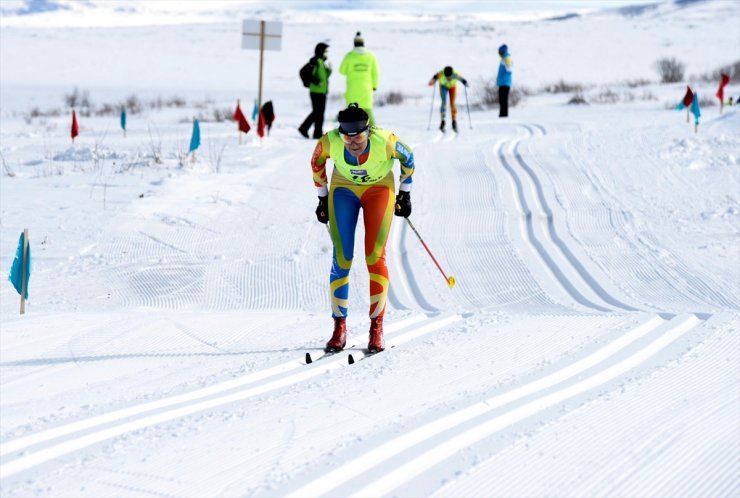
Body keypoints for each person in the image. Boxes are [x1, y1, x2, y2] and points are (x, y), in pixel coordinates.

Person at [310, 103, 415, 353]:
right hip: (344, 190)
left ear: (368, 131)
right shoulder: (330, 141)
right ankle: (339, 328)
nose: (352, 142)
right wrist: (322, 197)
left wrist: (405, 195)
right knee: (342, 257)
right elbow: (316, 162)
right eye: (347, 136)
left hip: (379, 190)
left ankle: (376, 327)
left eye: (358, 136)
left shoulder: (385, 141)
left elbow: (408, 157)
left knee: (374, 256)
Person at [339, 32, 380, 126]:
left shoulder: (349, 56)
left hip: (352, 89)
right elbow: (376, 72)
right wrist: (374, 85)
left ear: (354, 43)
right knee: (368, 110)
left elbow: (342, 70)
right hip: (366, 88)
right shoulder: (370, 56)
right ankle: (374, 131)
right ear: (363, 43)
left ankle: (349, 131)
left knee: (351, 111)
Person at [299, 43, 332, 139]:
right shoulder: (316, 61)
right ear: (321, 51)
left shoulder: (322, 62)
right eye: (326, 51)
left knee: (319, 113)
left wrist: (329, 71)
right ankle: (305, 128)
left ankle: (316, 132)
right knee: (318, 112)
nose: (327, 53)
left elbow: (324, 77)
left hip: (322, 91)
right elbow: (310, 74)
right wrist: (315, 81)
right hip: (316, 91)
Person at [428, 66, 468, 132]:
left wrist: (465, 82)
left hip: (452, 87)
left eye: (450, 77)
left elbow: (462, 79)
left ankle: (454, 121)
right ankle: (443, 121)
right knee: (444, 102)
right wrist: (432, 81)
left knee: (452, 103)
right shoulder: (441, 73)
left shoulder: (455, 74)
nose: (448, 78)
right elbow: (434, 78)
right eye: (447, 77)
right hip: (443, 87)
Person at [496, 44, 513, 118]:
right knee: (501, 100)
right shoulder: (504, 58)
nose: (498, 53)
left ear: (502, 51)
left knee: (504, 100)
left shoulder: (507, 58)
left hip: (505, 82)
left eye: (499, 51)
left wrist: (504, 75)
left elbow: (509, 69)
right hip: (502, 82)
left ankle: (504, 115)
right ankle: (502, 114)